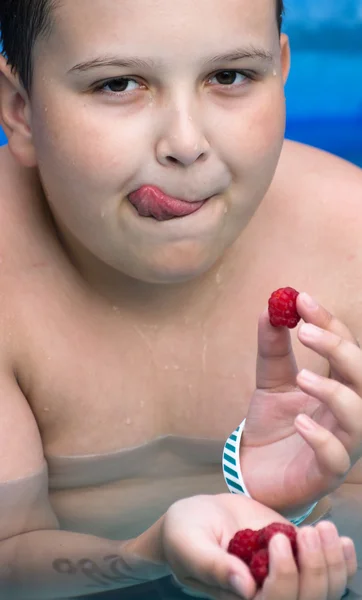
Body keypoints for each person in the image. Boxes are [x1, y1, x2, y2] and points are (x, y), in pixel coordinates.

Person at [0, 0, 361, 599]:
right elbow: (8, 555)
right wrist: (146, 553)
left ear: (283, 70)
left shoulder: (349, 241)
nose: (186, 144)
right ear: (21, 108)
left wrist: (297, 519)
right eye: (117, 84)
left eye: (230, 76)